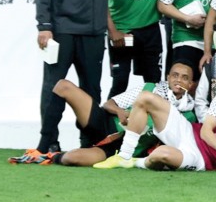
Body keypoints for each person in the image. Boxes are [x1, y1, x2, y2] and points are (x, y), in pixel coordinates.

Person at [13, 0, 114, 164]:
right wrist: (44, 26)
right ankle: (48, 140)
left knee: (92, 89)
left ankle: (89, 140)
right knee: (53, 87)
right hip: (61, 32)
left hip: (93, 34)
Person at [94, 64, 216, 173]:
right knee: (145, 97)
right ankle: (124, 155)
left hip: (202, 160)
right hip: (190, 133)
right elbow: (206, 131)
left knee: (161, 155)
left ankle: (135, 162)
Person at [46, 62, 196, 167]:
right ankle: (45, 144)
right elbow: (108, 104)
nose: (178, 80)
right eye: (175, 75)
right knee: (63, 86)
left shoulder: (189, 116)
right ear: (168, 77)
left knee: (70, 158)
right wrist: (120, 112)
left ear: (190, 84)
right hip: (105, 124)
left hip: (118, 147)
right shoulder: (149, 88)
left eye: (184, 77)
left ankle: (54, 156)